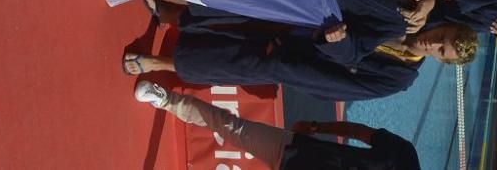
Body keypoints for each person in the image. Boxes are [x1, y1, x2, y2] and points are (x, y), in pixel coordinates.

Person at [122, 22, 478, 101]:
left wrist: (283, 65)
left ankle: (155, 63)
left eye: (441, 50)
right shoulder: (402, 22)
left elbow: (337, 85)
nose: (435, 43)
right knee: (232, 26)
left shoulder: (397, 78)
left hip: (292, 60)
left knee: (224, 60)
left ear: (441, 61)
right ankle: (173, 15)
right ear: (443, 27)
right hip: (301, 30)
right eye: (442, 37)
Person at [134, 81, 422, 169]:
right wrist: (316, 125)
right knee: (231, 127)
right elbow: (360, 132)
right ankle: (167, 99)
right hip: (296, 152)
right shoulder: (404, 156)